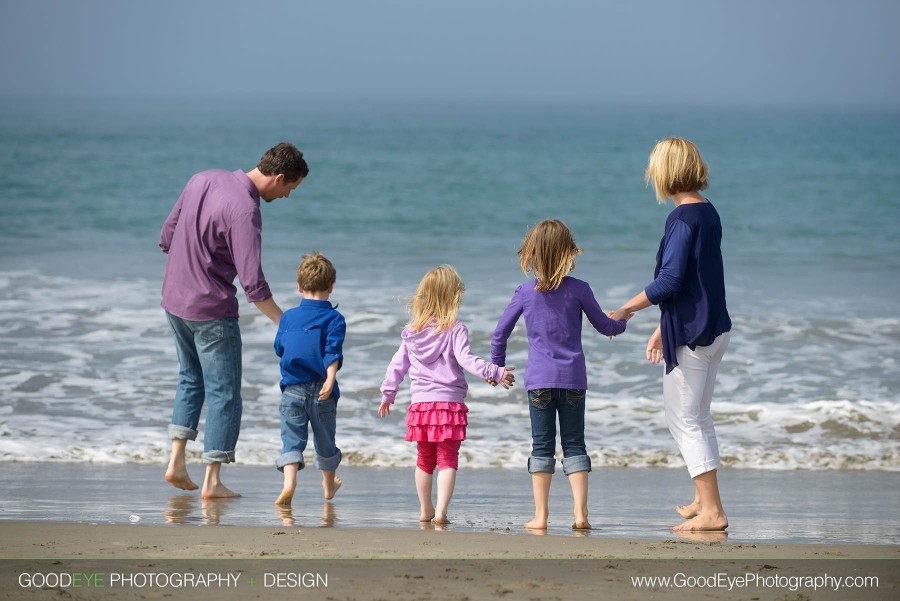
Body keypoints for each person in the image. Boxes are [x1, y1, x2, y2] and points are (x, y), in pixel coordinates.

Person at [160, 142, 309, 498]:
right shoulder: (246, 210)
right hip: (211, 310)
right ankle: (212, 481)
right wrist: (286, 323)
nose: (287, 196)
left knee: (190, 380)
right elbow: (253, 284)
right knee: (225, 394)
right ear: (278, 177)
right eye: (290, 188)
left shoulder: (202, 178)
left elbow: (167, 236)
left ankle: (176, 462)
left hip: (173, 300)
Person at [609, 137, 732, 531]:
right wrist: (665, 327)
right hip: (714, 328)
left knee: (684, 420)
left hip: (694, 335)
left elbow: (670, 280)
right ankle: (703, 499)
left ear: (666, 172)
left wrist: (627, 308)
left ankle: (713, 510)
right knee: (699, 416)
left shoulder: (681, 219)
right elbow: (699, 282)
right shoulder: (707, 212)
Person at [491, 219, 629, 531]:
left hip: (539, 382)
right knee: (575, 444)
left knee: (541, 446)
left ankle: (541, 517)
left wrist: (497, 369)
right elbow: (606, 327)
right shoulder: (580, 289)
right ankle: (581, 516)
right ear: (569, 252)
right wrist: (622, 319)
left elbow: (499, 334)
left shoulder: (525, 292)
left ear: (532, 254)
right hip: (573, 381)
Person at [379, 265, 515, 525]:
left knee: (424, 459)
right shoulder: (455, 329)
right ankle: (441, 512)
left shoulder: (412, 333)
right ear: (452, 298)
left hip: (421, 406)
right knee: (447, 458)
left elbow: (397, 365)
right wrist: (495, 372)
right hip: (449, 405)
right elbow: (466, 360)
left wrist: (388, 393)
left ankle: (424, 509)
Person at [274, 252, 345, 506]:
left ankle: (289, 483)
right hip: (323, 389)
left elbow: (280, 348)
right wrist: (329, 379)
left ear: (299, 286)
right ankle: (328, 485)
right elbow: (332, 351)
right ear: (331, 286)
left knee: (292, 439)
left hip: (292, 389)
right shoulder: (335, 318)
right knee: (325, 439)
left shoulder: (288, 317)